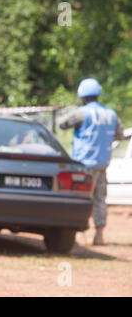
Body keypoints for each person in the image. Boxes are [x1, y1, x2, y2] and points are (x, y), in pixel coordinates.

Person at [58, 78, 124, 246]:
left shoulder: (82, 113)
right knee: (100, 198)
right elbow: (120, 134)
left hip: (84, 166)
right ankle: (99, 235)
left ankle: (81, 234)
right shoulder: (111, 114)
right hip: (103, 163)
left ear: (83, 96)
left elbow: (62, 124)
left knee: (82, 198)